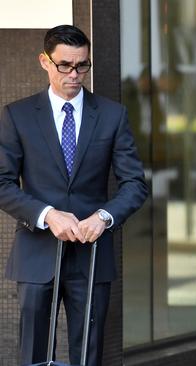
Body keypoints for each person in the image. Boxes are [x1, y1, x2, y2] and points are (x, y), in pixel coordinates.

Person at [0, 25, 148, 365]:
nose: (75, 74)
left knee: (88, 356)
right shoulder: (17, 116)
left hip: (92, 257)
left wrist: (104, 217)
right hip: (36, 255)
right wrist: (47, 215)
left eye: (83, 65)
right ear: (44, 61)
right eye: (65, 65)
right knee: (34, 357)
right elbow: (3, 182)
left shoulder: (112, 115)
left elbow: (135, 183)